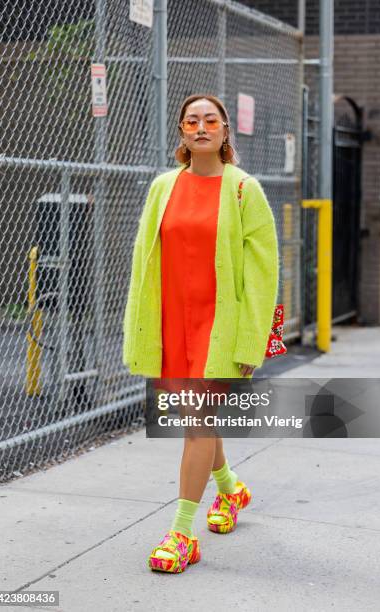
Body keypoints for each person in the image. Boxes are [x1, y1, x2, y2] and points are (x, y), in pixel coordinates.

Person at [122, 93, 280, 573]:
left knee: (197, 422)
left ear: (226, 132)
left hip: (219, 327)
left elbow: (263, 273)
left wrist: (251, 339)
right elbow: (143, 263)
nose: (201, 127)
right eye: (192, 120)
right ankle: (231, 490)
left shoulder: (243, 190)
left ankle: (181, 535)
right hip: (173, 324)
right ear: (182, 133)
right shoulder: (162, 187)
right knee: (201, 418)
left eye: (211, 120)